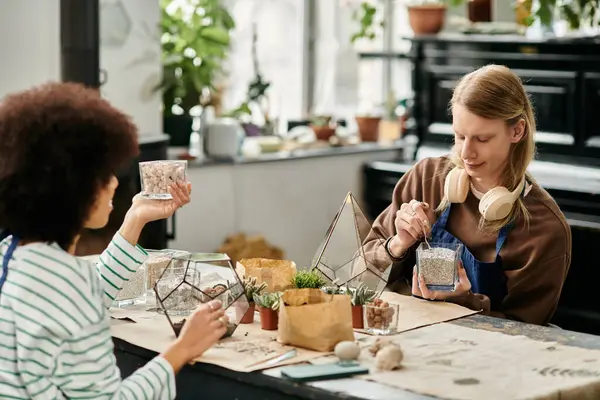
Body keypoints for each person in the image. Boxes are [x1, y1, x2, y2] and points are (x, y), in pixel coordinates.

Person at [0, 82, 227, 399]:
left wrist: (135, 217)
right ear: (75, 189)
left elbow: (81, 298)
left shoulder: (10, 256)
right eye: (105, 175)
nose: (115, 183)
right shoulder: (68, 283)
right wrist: (182, 349)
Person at [366, 64, 571, 326]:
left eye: (482, 139)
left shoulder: (544, 228)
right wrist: (397, 245)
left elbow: (526, 331)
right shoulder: (426, 179)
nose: (465, 154)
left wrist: (465, 303)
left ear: (517, 131)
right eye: (460, 136)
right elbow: (359, 274)